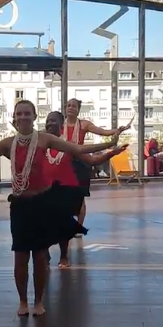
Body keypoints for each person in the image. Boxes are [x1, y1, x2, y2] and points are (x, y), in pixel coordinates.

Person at [0, 100, 120, 316]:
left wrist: (108, 144)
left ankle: (38, 301)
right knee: (20, 256)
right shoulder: (8, 143)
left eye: (27, 113)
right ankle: (23, 301)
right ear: (14, 117)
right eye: (19, 114)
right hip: (20, 205)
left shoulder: (44, 139)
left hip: (41, 203)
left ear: (33, 117)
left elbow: (77, 149)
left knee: (40, 256)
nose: (23, 117)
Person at [44, 111, 128, 268]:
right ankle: (45, 252)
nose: (49, 124)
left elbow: (92, 159)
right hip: (44, 192)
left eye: (53, 121)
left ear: (61, 125)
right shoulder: (40, 144)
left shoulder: (68, 146)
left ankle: (63, 256)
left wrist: (111, 152)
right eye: (47, 121)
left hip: (63, 192)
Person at [62, 98, 129, 230]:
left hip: (80, 161)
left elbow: (102, 132)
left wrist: (117, 131)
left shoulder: (84, 124)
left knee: (80, 197)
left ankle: (79, 227)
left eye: (73, 106)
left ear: (78, 110)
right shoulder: (60, 124)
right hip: (64, 163)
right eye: (68, 105)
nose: (70, 108)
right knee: (64, 196)